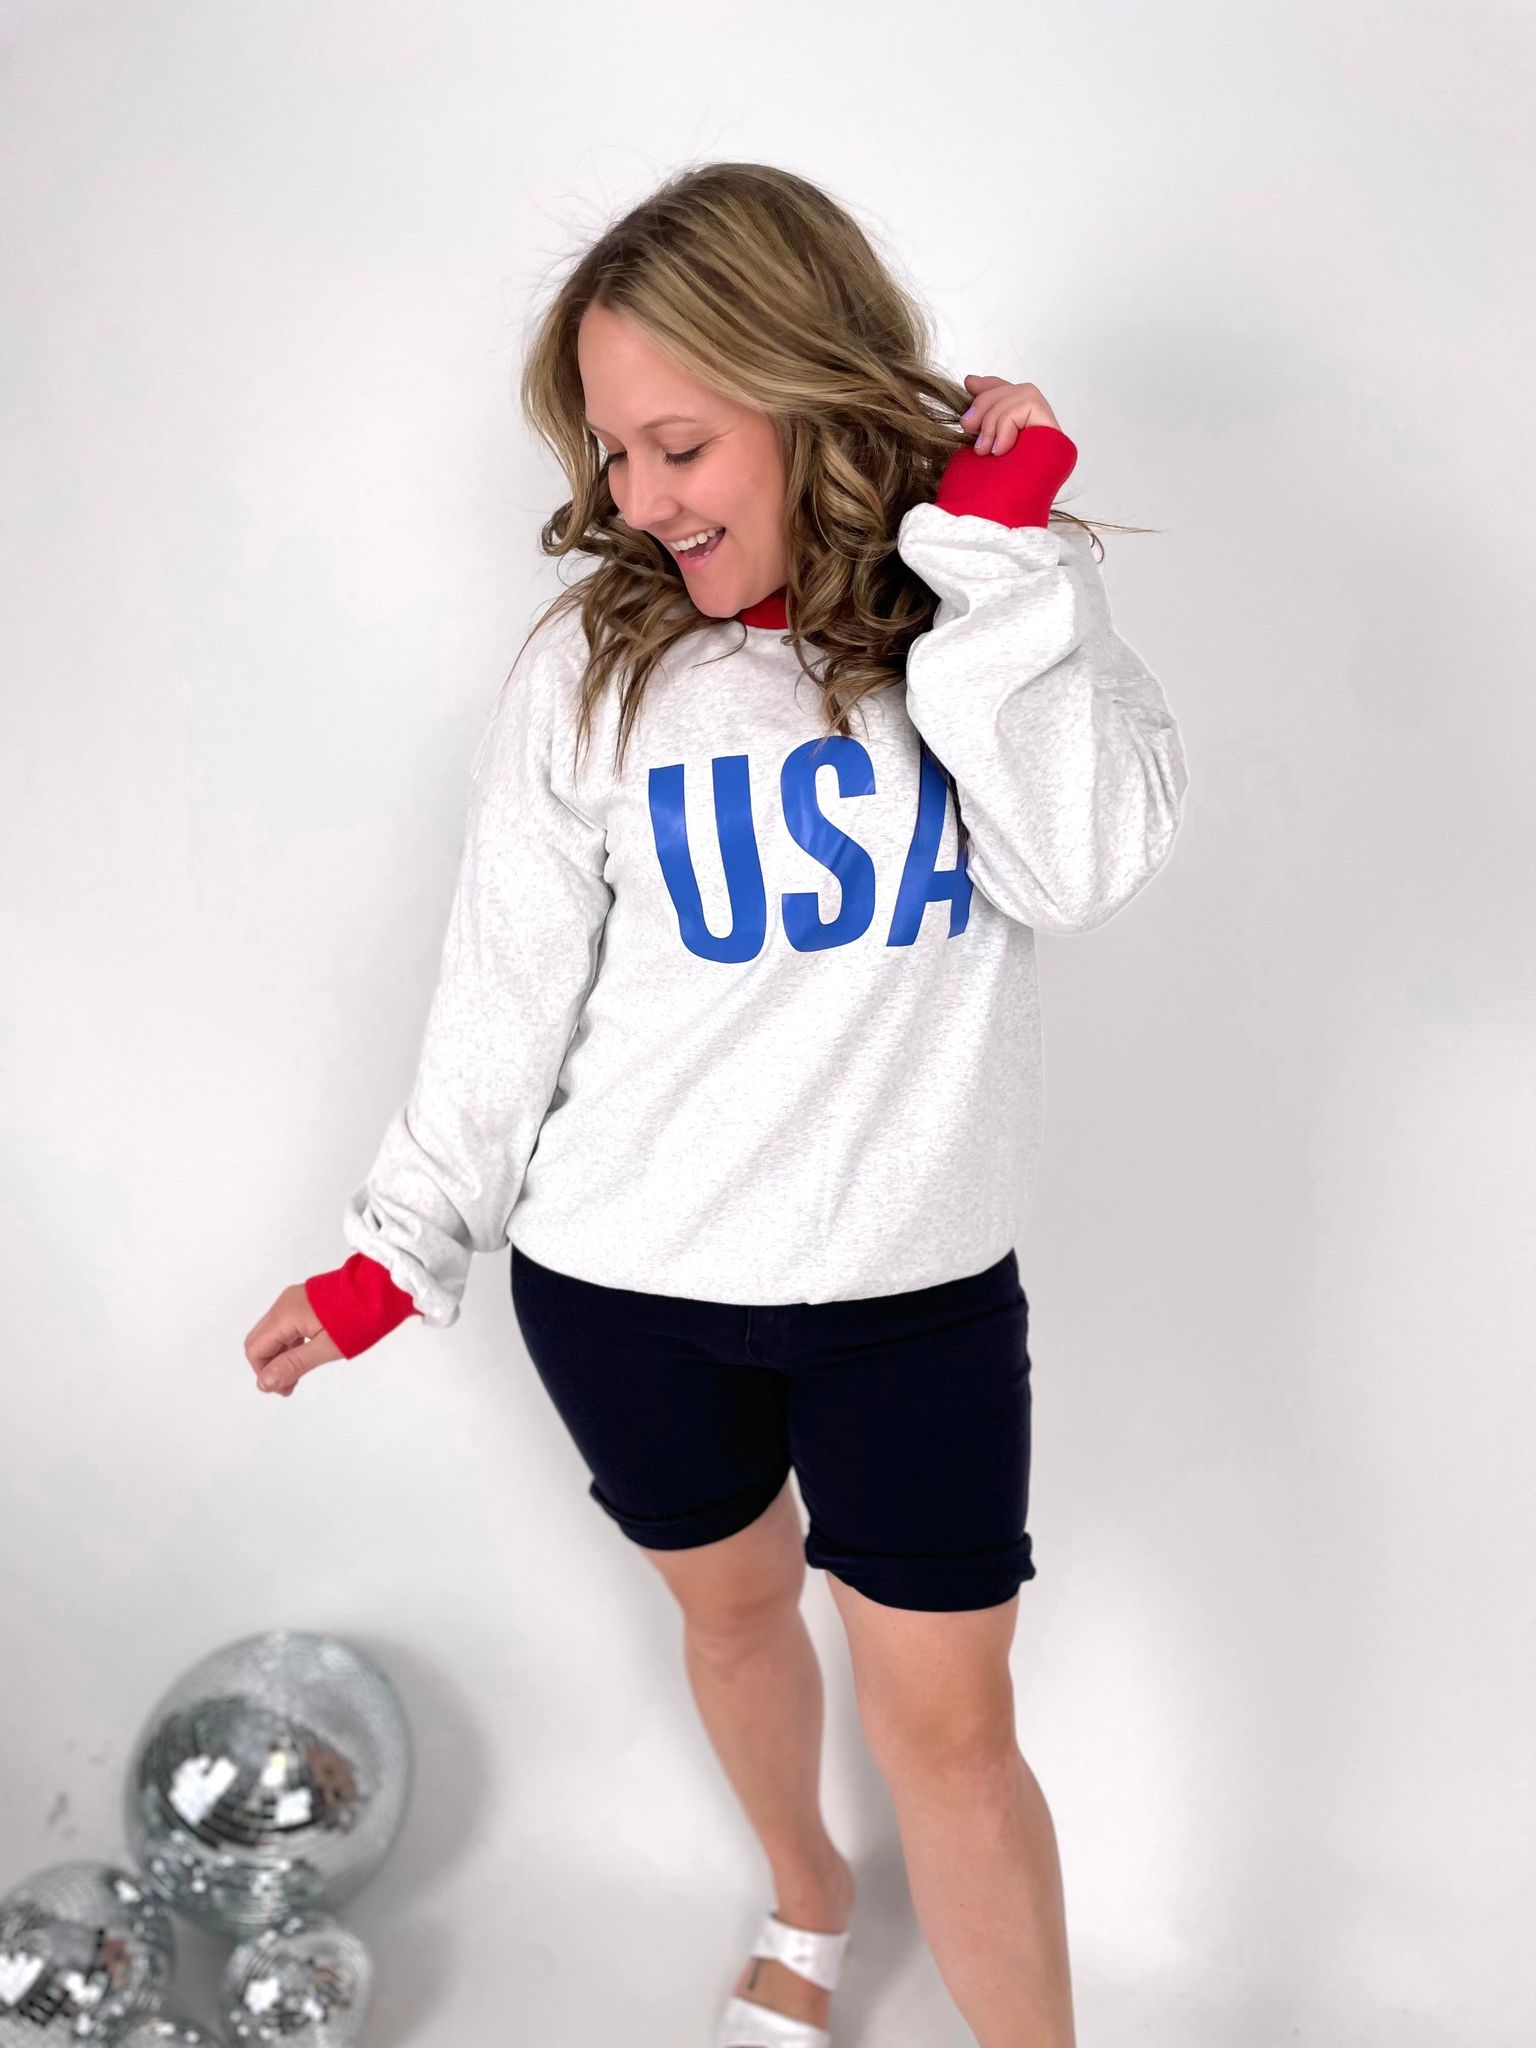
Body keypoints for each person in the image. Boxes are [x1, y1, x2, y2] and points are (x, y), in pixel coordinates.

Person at [245, 160, 1189, 2048]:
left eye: (679, 445)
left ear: (808, 392)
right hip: (626, 1291)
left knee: (956, 1737)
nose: (638, 498)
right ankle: (807, 1898)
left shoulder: (988, 610)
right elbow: (504, 991)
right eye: (613, 453)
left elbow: (1084, 865)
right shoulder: (594, 672)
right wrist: (395, 1250)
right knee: (736, 1617)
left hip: (912, 1306)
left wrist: (1000, 556)